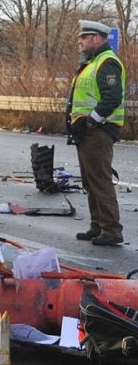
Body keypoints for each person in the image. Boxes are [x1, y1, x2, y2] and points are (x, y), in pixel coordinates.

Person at [67, 20, 126, 246]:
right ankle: (98, 226)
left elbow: (112, 97)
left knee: (100, 181)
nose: (79, 41)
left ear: (98, 39)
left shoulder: (107, 62)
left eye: (84, 37)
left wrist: (91, 121)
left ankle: (111, 230)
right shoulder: (92, 62)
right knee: (90, 181)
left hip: (99, 131)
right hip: (87, 130)